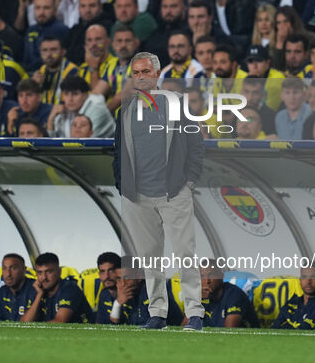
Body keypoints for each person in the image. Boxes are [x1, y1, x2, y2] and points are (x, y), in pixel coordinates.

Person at [114, 52, 205, 331]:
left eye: (145, 71)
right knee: (149, 257)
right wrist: (122, 184)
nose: (140, 77)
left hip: (173, 192)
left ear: (156, 74)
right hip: (137, 196)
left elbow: (196, 146)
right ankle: (158, 314)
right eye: (136, 73)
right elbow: (118, 153)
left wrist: (188, 182)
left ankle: (195, 314)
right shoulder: (126, 110)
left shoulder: (177, 105)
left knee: (184, 254)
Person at [20, 252, 93, 323]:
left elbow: (60, 322)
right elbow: (24, 323)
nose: (44, 278)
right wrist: (39, 295)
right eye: (40, 273)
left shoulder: (70, 289)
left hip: (83, 334)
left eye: (49, 272)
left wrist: (33, 330)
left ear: (59, 272)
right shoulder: (39, 290)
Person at [47, 76, 114, 138]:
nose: (70, 99)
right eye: (66, 94)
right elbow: (53, 142)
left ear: (85, 95)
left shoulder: (97, 109)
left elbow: (85, 142)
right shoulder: (65, 110)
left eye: (75, 94)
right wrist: (50, 119)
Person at [200, 259, 259, 328]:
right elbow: (186, 330)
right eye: (202, 277)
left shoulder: (234, 295)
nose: (207, 281)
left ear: (221, 276)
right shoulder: (202, 297)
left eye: (211, 275)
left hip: (246, 338)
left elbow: (229, 332)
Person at [272, 263, 315, 330]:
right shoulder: (291, 303)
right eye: (304, 277)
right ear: (300, 280)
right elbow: (274, 328)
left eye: (314, 277)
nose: (308, 282)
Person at [23, 0, 69, 72]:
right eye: (38, 8)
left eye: (46, 8)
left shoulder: (61, 30)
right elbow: (25, 58)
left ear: (55, 10)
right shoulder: (30, 30)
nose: (41, 12)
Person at [143, 0, 190, 67]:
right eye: (165, 7)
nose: (168, 11)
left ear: (183, 8)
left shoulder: (189, 32)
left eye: (173, 6)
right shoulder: (154, 35)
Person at [66, 0, 114, 65]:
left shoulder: (107, 27)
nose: (87, 10)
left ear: (100, 7)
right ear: (78, 8)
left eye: (92, 6)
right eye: (83, 6)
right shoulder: (74, 29)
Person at [31, 36, 78, 106]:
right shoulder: (42, 70)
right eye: (45, 50)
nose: (49, 54)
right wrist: (34, 86)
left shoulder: (72, 70)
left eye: (53, 50)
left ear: (63, 52)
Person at [237, 45, 286, 111]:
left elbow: (269, 108)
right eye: (250, 61)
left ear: (267, 63)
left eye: (258, 60)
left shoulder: (277, 78)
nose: (254, 66)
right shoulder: (243, 77)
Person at [0, 253, 35, 321]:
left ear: (24, 270)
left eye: (13, 268)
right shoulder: (1, 292)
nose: (8, 274)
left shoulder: (35, 288)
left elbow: (27, 323)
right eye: (4, 268)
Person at [78, 25, 118, 91]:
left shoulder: (116, 65)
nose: (93, 44)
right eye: (89, 40)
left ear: (108, 41)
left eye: (98, 39)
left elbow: (97, 98)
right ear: (85, 43)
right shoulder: (82, 69)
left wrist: (93, 68)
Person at [95, 252, 121, 324]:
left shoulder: (131, 293)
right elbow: (99, 326)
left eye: (111, 270)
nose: (106, 276)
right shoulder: (104, 294)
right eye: (102, 271)